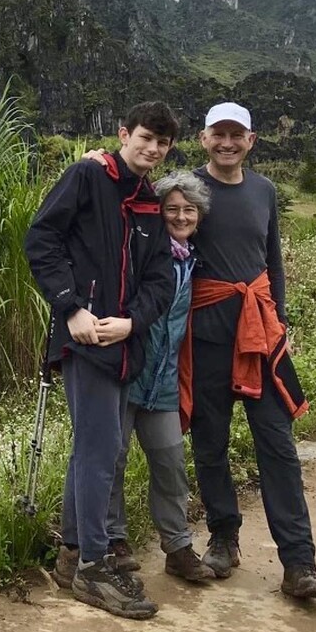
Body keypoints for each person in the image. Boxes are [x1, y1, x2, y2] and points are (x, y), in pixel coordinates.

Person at [25, 101, 179, 619]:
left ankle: (73, 554)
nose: (152, 148)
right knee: (102, 448)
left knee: (95, 449)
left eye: (161, 143)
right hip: (84, 340)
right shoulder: (87, 176)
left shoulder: (150, 201)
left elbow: (161, 277)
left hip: (123, 343)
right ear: (123, 134)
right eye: (144, 138)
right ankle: (94, 566)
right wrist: (70, 308)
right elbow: (41, 238)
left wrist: (134, 321)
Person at [186, 102, 316, 600]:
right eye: (218, 134)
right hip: (206, 334)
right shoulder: (187, 190)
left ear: (251, 140)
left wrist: (281, 320)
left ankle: (299, 562)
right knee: (210, 443)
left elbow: (272, 261)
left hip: (260, 335)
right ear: (203, 138)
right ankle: (224, 539)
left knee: (277, 444)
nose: (227, 142)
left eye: (237, 135)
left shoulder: (264, 190)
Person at [102, 169, 217, 583]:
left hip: (164, 382)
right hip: (128, 374)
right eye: (172, 209)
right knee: (111, 459)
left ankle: (178, 546)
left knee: (170, 462)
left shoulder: (196, 262)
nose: (181, 217)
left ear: (200, 216)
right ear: (158, 212)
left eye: (190, 210)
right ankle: (113, 540)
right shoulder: (142, 254)